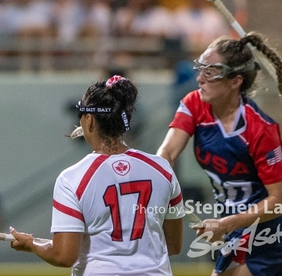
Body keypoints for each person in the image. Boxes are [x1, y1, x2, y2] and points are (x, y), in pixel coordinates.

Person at [10, 76, 184, 275]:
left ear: (90, 120)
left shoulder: (71, 179)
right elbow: (172, 245)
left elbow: (63, 256)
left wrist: (32, 245)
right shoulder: (162, 169)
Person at [157, 32, 282, 276]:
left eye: (210, 73)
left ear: (235, 81)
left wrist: (225, 224)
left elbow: (281, 200)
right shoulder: (194, 104)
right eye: (201, 69)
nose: (200, 79)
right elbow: (167, 151)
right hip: (233, 228)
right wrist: (159, 177)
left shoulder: (260, 129)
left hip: (264, 232)